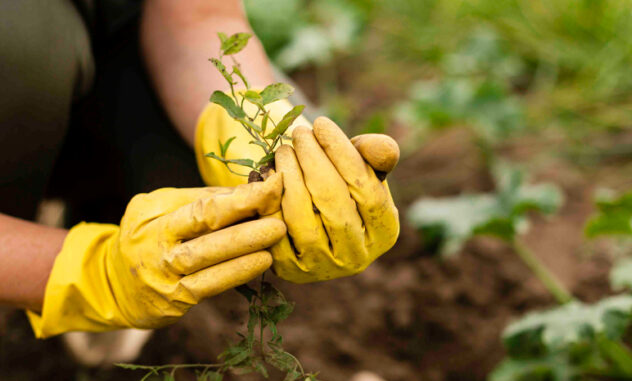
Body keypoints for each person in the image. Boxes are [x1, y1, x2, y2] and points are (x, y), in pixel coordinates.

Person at [0, 0, 399, 339]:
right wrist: (86, 274)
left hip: (104, 58)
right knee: (24, 45)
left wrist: (255, 131)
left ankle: (95, 217)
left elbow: (199, 14)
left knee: (234, 164)